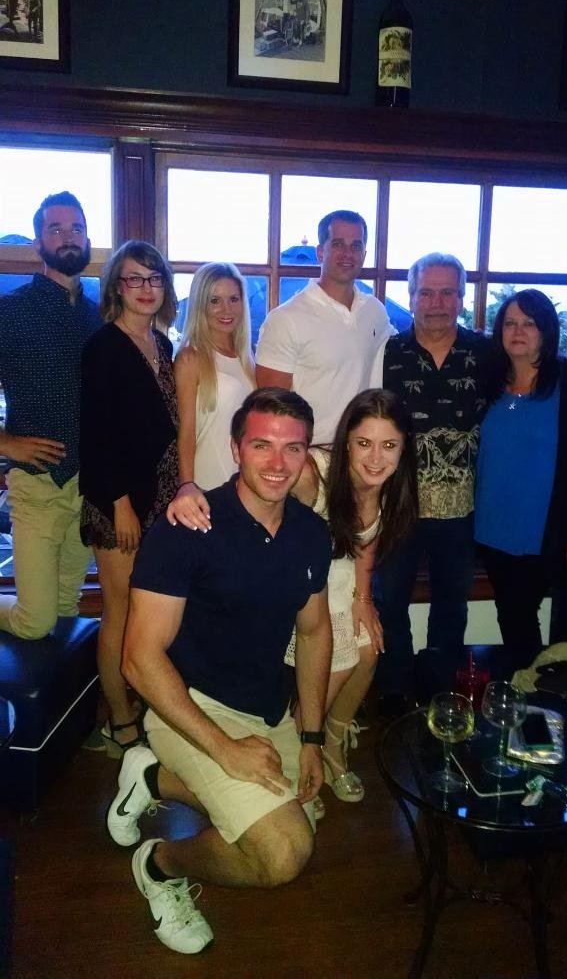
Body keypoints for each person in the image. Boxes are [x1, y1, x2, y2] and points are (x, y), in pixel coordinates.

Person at [105, 389, 332, 955]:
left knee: (307, 811)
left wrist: (312, 737)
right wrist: (224, 749)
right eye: (261, 445)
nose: (278, 462)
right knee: (283, 852)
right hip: (190, 706)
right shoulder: (186, 528)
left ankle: (152, 780)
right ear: (235, 449)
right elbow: (138, 659)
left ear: (307, 454)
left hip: (266, 707)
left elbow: (313, 632)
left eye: (293, 448)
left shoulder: (309, 532)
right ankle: (159, 864)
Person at [378, 253, 567, 714]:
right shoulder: (388, 352)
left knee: (451, 609)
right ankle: (395, 689)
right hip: (401, 505)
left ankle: (441, 693)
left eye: (448, 292)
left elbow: (540, 375)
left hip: (464, 513)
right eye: (426, 292)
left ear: (461, 298)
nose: (437, 302)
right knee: (390, 600)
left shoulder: (484, 354)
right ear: (411, 296)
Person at [284, 389, 418, 804]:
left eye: (389, 445)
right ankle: (299, 755)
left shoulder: (390, 485)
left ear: (403, 448)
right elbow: (256, 493)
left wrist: (364, 598)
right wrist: (191, 494)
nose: (376, 458)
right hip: (299, 582)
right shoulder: (313, 473)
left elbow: (366, 541)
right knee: (339, 662)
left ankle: (333, 742)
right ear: (346, 442)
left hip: (339, 575)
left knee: (370, 646)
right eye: (364, 443)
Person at [79, 241, 178, 756]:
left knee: (145, 610)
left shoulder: (161, 344)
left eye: (154, 278)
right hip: (117, 501)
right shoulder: (104, 346)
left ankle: (138, 701)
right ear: (116, 286)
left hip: (156, 499)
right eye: (134, 278)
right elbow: (97, 436)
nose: (145, 288)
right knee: (118, 610)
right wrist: (120, 505)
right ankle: (118, 719)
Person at [475, 289, 567, 669]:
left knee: (529, 620)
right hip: (491, 528)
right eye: (510, 323)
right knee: (510, 615)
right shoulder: (489, 381)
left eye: (529, 323)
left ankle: (533, 691)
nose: (518, 331)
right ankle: (525, 688)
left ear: (546, 331)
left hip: (543, 533)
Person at [0, 191, 101, 639]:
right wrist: (6, 443)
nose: (68, 237)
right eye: (55, 229)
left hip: (87, 488)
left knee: (63, 609)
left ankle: (53, 688)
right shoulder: (10, 312)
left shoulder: (100, 318)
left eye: (76, 228)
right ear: (38, 242)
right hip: (37, 486)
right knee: (36, 619)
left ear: (87, 239)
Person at [255, 210, 394, 443]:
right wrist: (300, 456)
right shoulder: (286, 319)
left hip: (362, 450)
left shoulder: (375, 311)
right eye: (338, 244)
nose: (347, 253)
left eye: (356, 246)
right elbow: (269, 407)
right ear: (320, 252)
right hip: (311, 453)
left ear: (364, 254)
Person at [174, 262, 254, 491]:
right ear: (201, 305)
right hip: (207, 484)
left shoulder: (247, 357)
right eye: (215, 300)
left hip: (244, 482)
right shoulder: (190, 358)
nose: (226, 309)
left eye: (234, 299)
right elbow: (186, 433)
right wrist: (187, 487)